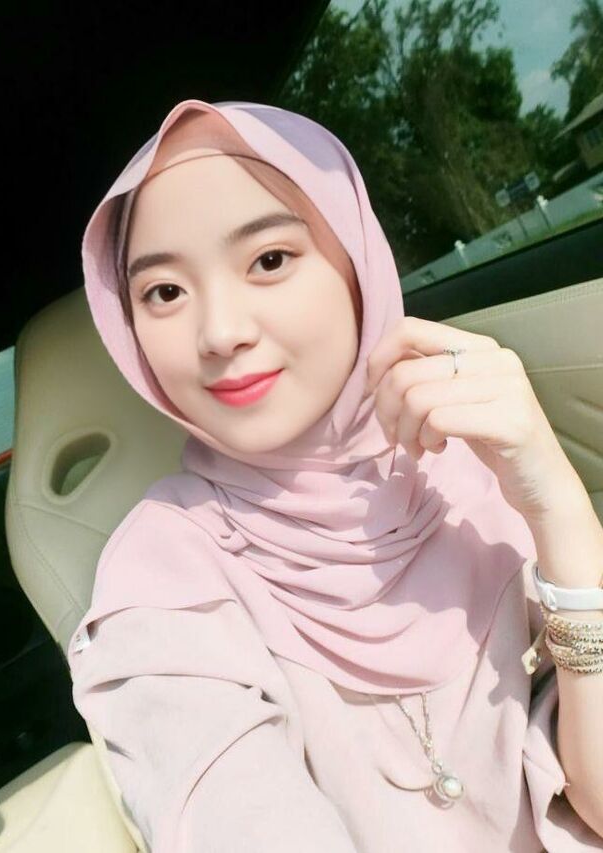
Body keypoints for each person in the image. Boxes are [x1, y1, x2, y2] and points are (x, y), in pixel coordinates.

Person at [67, 98, 603, 852]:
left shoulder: (465, 468)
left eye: (269, 260)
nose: (220, 332)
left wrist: (562, 515)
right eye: (164, 292)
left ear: (359, 265)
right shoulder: (160, 583)